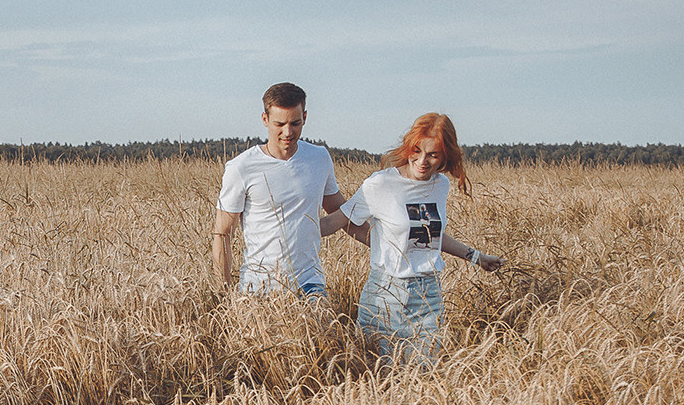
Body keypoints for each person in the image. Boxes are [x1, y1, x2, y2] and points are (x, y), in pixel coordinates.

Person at [321, 112, 506, 364]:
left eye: (433, 155)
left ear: (445, 156)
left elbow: (431, 236)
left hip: (428, 295)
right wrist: (298, 230)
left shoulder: (440, 185)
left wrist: (476, 257)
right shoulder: (382, 183)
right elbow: (342, 220)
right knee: (379, 375)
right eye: (416, 151)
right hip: (384, 293)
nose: (422, 161)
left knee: (423, 377)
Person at [212, 83, 344, 296]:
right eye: (279, 124)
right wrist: (223, 293)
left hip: (310, 285)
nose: (288, 132)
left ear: (305, 117)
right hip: (258, 288)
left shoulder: (319, 158)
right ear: (265, 119)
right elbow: (223, 233)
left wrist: (387, 241)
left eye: (295, 123)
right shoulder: (242, 167)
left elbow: (342, 213)